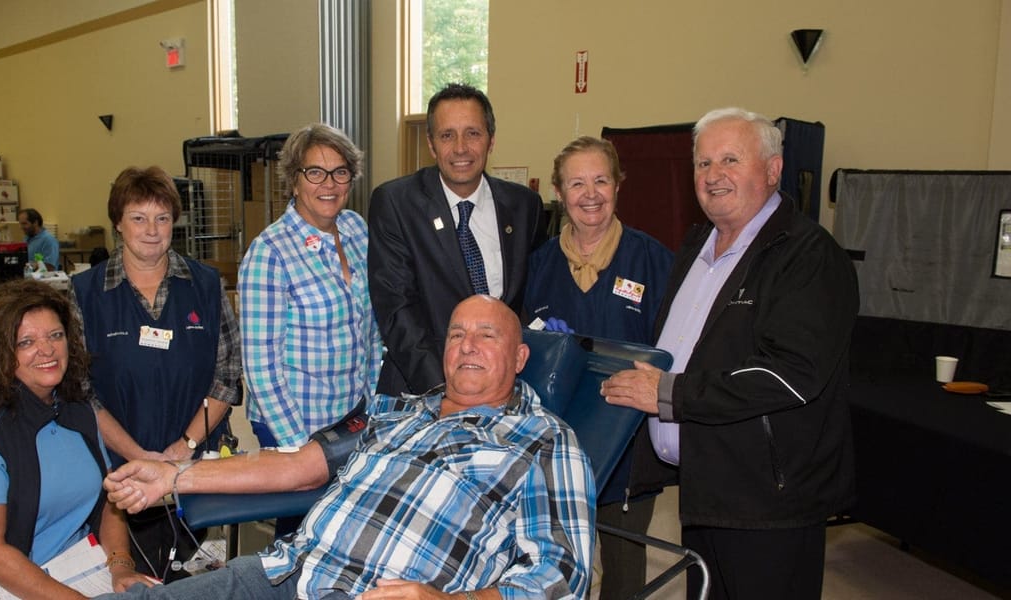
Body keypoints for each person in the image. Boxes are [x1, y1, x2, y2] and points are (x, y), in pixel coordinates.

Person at [100, 296, 596, 600]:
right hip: (286, 572)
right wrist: (175, 475)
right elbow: (299, 467)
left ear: (521, 356)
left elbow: (561, 580)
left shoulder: (545, 442)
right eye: (456, 334)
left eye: (486, 335)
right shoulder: (392, 411)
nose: (467, 345)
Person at [601, 107, 859, 600]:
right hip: (706, 490)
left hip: (767, 501)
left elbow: (790, 375)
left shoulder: (808, 256)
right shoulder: (698, 243)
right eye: (702, 163)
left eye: (730, 160)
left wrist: (668, 393)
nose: (713, 176)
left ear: (773, 170)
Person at [0, 279, 154, 599]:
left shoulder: (76, 408)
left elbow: (108, 501)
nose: (47, 350)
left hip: (75, 569)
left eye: (55, 335)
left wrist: (121, 566)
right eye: (26, 342)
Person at [69, 165, 242, 578]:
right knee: (129, 576)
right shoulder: (86, 293)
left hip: (195, 461)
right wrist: (139, 456)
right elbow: (80, 390)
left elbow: (228, 374)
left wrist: (181, 450)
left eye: (162, 218)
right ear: (118, 223)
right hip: (118, 470)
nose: (151, 230)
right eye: (138, 218)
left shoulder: (205, 284)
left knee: (198, 574)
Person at [523, 136, 674, 600]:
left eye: (601, 180)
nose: (590, 194)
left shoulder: (653, 261)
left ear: (618, 185)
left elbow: (674, 348)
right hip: (555, 446)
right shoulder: (538, 265)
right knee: (555, 564)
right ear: (559, 191)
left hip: (627, 444)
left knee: (624, 568)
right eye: (576, 183)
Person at [368, 83, 545, 396]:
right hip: (423, 388)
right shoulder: (396, 203)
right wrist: (443, 391)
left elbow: (528, 302)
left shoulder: (524, 206)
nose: (460, 148)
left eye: (473, 133)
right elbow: (396, 308)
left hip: (500, 390)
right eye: (447, 135)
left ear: (491, 140)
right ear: (432, 144)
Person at [239, 123, 382, 449]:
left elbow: (371, 332)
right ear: (294, 181)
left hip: (353, 414)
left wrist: (372, 401)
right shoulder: (269, 254)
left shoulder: (357, 230)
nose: (329, 184)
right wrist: (299, 447)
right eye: (315, 173)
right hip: (295, 424)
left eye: (340, 172)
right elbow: (261, 370)